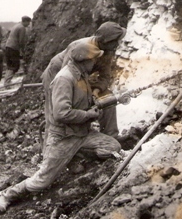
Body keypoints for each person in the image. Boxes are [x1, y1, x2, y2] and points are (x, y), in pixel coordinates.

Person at [0, 42, 121, 212]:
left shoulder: (82, 75)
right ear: (83, 60)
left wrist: (96, 105)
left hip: (82, 134)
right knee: (42, 181)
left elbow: (81, 102)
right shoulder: (64, 78)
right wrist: (88, 115)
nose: (95, 63)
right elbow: (61, 114)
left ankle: (73, 157)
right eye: (93, 60)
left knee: (112, 146)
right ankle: (7, 195)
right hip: (63, 137)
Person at [40, 21, 126, 153]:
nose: (118, 44)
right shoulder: (80, 47)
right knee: (55, 116)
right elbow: (67, 76)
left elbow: (105, 76)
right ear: (107, 41)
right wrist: (83, 96)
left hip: (82, 76)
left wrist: (96, 92)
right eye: (116, 41)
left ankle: (110, 138)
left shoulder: (108, 50)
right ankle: (50, 154)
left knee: (107, 98)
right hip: (57, 75)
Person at [4, 16, 32, 86]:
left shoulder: (16, 25)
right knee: (15, 65)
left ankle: (7, 81)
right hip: (13, 48)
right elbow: (21, 41)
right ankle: (7, 82)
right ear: (25, 21)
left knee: (10, 65)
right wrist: (23, 52)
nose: (28, 24)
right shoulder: (22, 28)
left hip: (8, 47)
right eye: (28, 22)